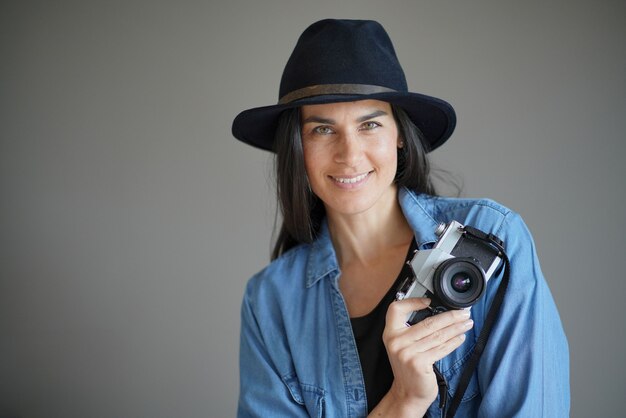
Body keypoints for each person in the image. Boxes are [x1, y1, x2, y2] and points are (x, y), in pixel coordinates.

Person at [231, 19, 569, 418]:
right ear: (297, 147)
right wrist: (404, 401)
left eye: (370, 124)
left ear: (400, 134)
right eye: (322, 129)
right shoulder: (272, 301)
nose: (349, 154)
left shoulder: (491, 240)